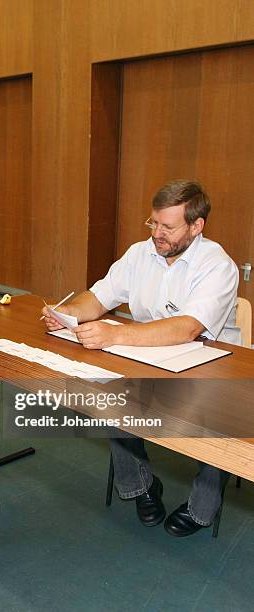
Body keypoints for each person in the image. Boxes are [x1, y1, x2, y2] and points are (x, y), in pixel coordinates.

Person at [42, 179, 240, 537]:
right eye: (153, 223)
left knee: (223, 419)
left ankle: (202, 508)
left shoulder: (217, 264)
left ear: (197, 226)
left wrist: (116, 333)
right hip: (146, 352)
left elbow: (188, 328)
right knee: (108, 395)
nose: (157, 234)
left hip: (209, 362)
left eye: (168, 227)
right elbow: (100, 297)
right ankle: (142, 486)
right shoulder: (139, 253)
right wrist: (68, 312)